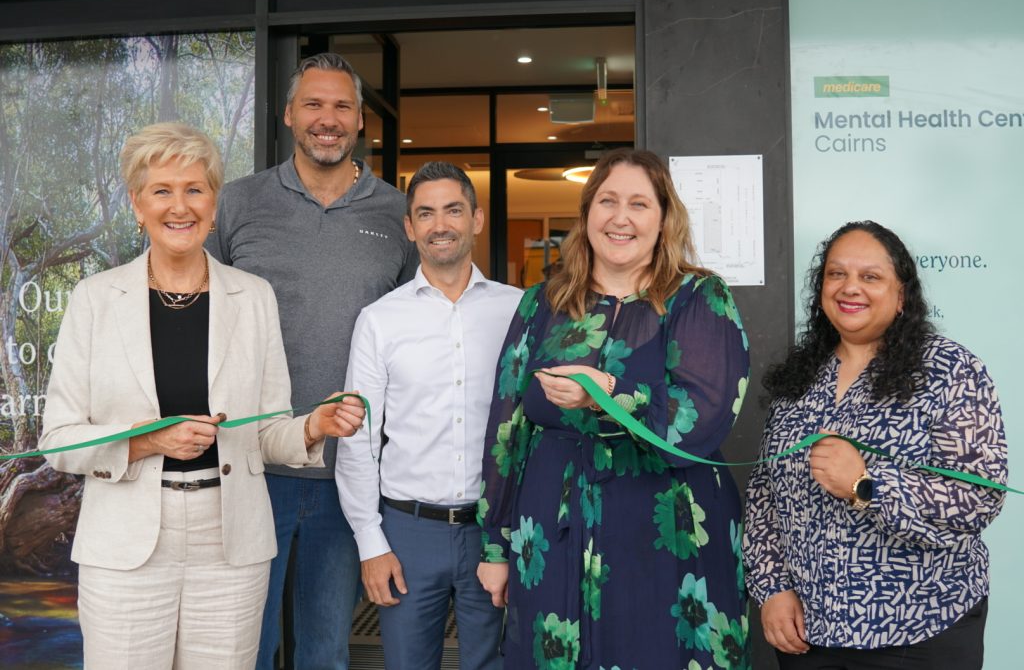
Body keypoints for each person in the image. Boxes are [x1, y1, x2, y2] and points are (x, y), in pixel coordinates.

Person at [39, 122, 365, 668]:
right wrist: (150, 441)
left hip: (230, 544)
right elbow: (59, 442)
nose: (179, 206)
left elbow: (266, 431)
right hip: (125, 544)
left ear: (214, 203)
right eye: (161, 190)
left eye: (195, 189)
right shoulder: (94, 300)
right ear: (137, 204)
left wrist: (314, 427)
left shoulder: (253, 297)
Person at [477, 148, 751, 669]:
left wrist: (607, 392)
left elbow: (704, 415)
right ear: (586, 216)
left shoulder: (700, 297)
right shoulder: (541, 303)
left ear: (665, 218)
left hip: (669, 534)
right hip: (553, 532)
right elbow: (506, 427)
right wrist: (496, 544)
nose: (620, 217)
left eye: (639, 204)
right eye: (607, 201)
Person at [207, 52, 417, 669]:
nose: (328, 119)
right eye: (314, 105)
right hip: (248, 469)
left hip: (346, 479)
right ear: (288, 114)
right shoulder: (238, 204)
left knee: (325, 651)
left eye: (342, 106)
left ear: (360, 120)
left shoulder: (396, 213)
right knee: (245, 647)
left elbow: (412, 328)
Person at [744, 221, 1007, 670]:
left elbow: (978, 498)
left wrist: (866, 485)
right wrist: (771, 588)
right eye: (836, 274)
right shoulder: (800, 377)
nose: (850, 288)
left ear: (901, 295)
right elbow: (764, 495)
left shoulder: (950, 371)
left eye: (870, 277)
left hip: (920, 629)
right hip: (811, 634)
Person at [337, 162, 521, 669]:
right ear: (410, 227)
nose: (441, 224)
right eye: (426, 213)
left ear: (477, 219)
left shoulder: (519, 311)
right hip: (407, 531)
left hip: (496, 530)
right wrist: (370, 542)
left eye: (453, 210)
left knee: (497, 663)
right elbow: (358, 438)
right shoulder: (379, 320)